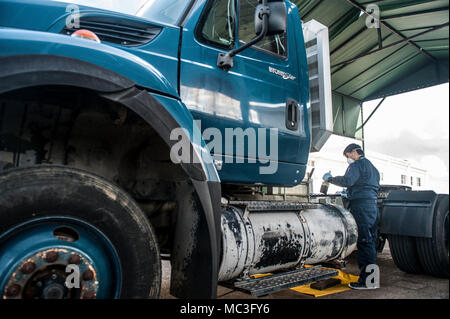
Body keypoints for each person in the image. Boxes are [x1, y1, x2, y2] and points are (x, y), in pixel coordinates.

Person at [322, 143, 380, 290]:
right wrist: (350, 192)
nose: (348, 160)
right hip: (372, 206)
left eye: (348, 156)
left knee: (364, 242)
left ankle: (367, 282)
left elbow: (347, 181)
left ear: (354, 152)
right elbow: (367, 185)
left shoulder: (356, 165)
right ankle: (372, 279)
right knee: (370, 242)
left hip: (361, 207)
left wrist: (330, 179)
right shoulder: (373, 168)